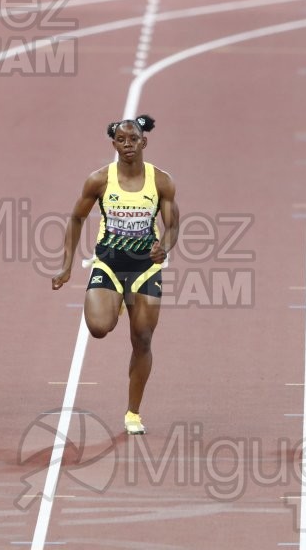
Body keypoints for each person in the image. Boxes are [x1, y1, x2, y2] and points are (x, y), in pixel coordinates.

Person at [52, 114, 178, 435]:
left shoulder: (161, 181)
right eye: (121, 140)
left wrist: (164, 247)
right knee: (98, 328)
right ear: (114, 144)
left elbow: (173, 225)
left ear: (144, 141)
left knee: (143, 338)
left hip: (145, 268)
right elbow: (76, 219)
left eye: (133, 139)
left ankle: (133, 413)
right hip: (108, 262)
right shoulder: (99, 180)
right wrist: (67, 265)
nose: (127, 145)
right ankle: (117, 301)